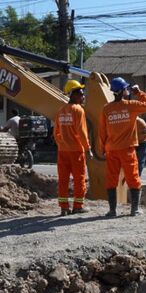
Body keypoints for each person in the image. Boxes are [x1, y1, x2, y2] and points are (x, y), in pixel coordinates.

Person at [99, 77, 146, 217]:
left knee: (111, 179)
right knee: (133, 178)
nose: (128, 91)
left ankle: (112, 210)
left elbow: (102, 131)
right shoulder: (130, 106)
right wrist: (139, 92)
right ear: (122, 91)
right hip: (127, 149)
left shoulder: (106, 109)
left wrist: (103, 149)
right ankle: (134, 209)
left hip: (111, 149)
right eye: (126, 89)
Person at [54, 80, 92, 216]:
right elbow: (82, 132)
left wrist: (62, 144)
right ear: (73, 94)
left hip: (63, 151)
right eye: (81, 94)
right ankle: (78, 206)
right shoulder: (78, 110)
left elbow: (56, 133)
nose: (83, 96)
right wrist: (88, 149)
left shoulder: (61, 111)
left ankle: (64, 208)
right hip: (76, 151)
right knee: (79, 178)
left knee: (63, 180)